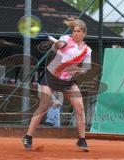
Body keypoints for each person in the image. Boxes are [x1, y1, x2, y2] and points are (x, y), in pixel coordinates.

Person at [22, 18, 92, 151]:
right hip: (51, 77)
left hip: (67, 81)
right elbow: (55, 48)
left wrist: (78, 70)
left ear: (84, 33)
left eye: (78, 31)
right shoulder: (66, 38)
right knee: (44, 106)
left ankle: (82, 140)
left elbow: (86, 67)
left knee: (80, 108)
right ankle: (28, 136)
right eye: (74, 31)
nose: (75, 33)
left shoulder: (87, 50)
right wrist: (58, 45)